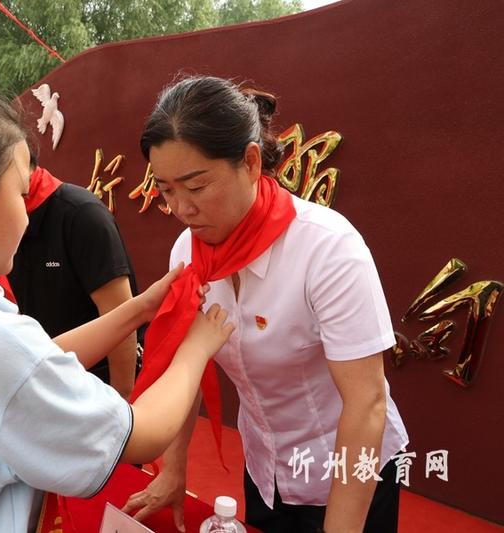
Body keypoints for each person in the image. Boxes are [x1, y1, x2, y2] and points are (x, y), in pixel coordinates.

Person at [0, 76, 235, 533]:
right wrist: (196, 348)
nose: (27, 216)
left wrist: (140, 308)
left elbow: (36, 361)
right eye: (20, 193)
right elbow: (143, 435)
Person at [123, 76, 409, 533]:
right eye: (167, 190)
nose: (182, 208)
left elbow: (367, 402)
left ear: (251, 162)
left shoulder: (327, 249)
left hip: (348, 474)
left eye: (196, 186)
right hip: (266, 469)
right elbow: (186, 367)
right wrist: (174, 469)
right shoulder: (187, 254)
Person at [6, 152, 141, 397]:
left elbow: (122, 315)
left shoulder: (82, 215)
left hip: (97, 384)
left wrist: (122, 398)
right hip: (44, 379)